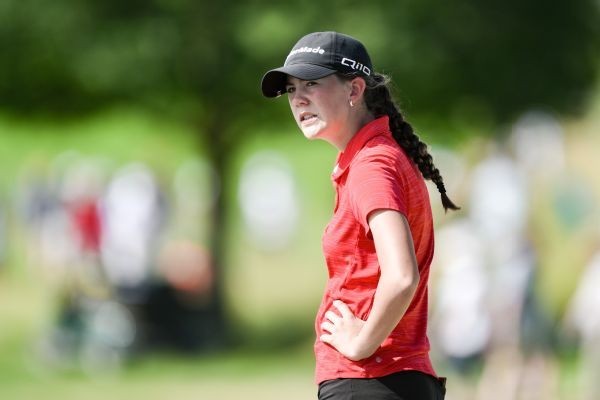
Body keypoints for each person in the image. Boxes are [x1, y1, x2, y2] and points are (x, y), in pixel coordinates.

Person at [261, 31, 459, 400]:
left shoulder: (372, 165)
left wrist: (362, 344)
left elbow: (401, 276)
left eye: (312, 83)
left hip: (369, 380)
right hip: (391, 382)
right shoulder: (375, 157)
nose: (298, 98)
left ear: (354, 90)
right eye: (291, 89)